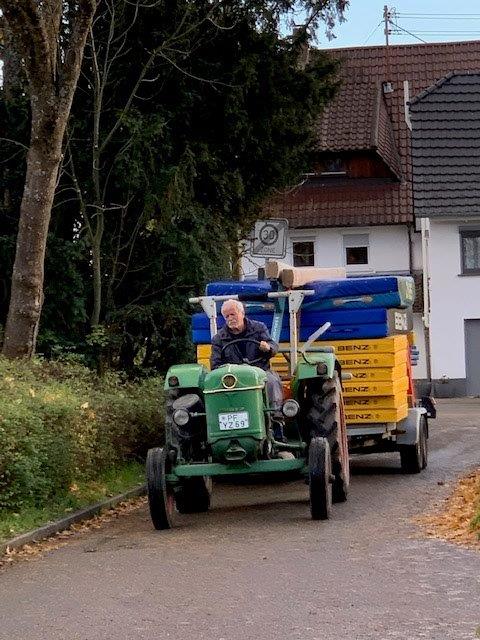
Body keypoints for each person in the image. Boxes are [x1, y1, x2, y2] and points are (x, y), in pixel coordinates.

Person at [211, 299, 285, 438]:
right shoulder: (219, 338)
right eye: (226, 316)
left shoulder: (258, 328)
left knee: (272, 381)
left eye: (233, 314)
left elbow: (273, 346)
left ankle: (276, 421)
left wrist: (267, 348)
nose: (230, 319)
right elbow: (215, 365)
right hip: (235, 379)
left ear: (242, 313)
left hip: (260, 372)